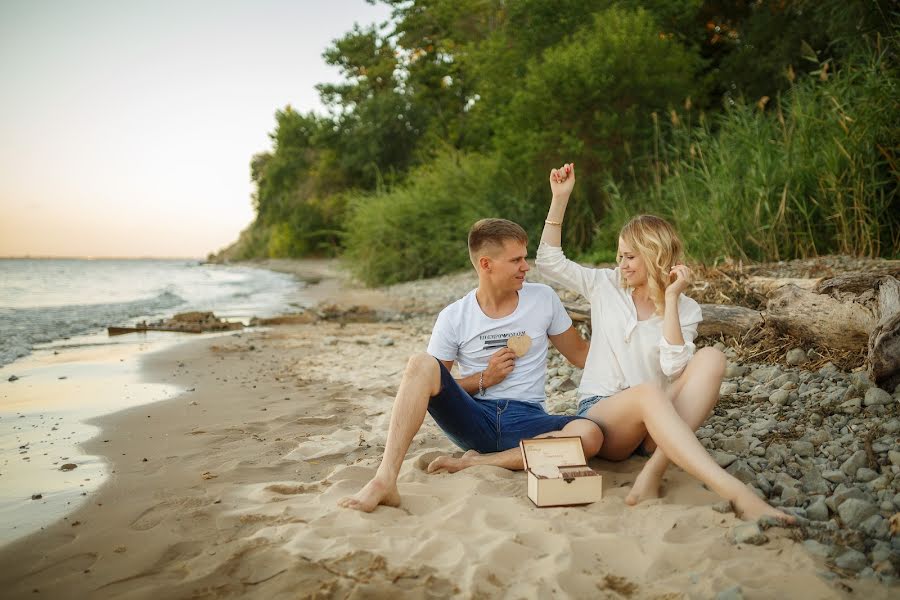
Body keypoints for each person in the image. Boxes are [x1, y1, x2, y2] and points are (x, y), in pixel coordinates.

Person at [535, 163, 792, 523]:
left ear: (654, 255)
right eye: (619, 255)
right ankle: (737, 493)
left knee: (712, 358)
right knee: (647, 393)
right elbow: (547, 262)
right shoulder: (604, 285)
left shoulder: (686, 308)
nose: (620, 264)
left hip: (657, 424)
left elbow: (674, 368)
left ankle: (653, 470)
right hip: (607, 417)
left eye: (629, 256)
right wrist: (559, 199)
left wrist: (670, 300)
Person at [339, 218, 605, 512]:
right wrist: (484, 379)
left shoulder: (543, 299)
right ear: (486, 264)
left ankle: (478, 462)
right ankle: (384, 480)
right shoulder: (454, 316)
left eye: (524, 257)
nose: (525, 267)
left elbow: (581, 355)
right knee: (421, 364)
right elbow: (434, 385)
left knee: (590, 434)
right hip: (474, 419)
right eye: (516, 260)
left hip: (528, 420)